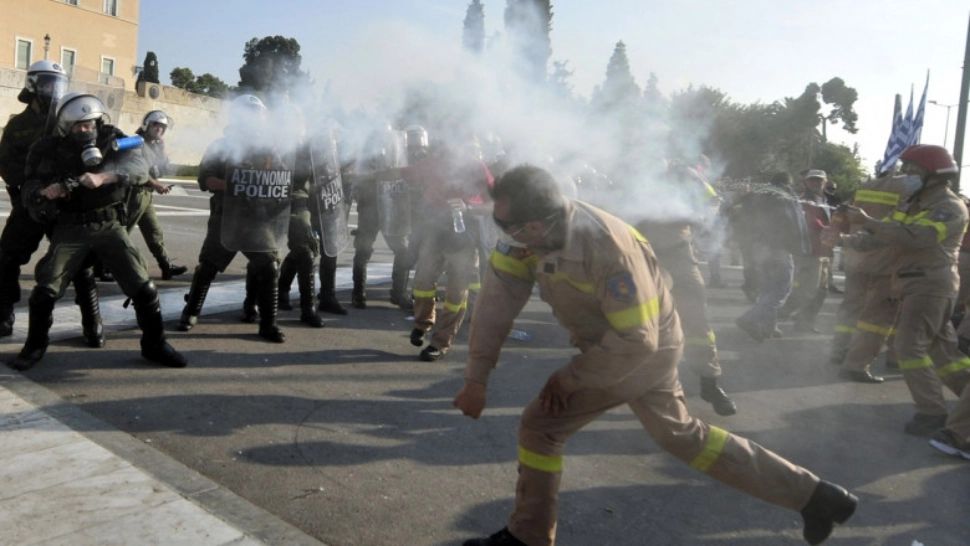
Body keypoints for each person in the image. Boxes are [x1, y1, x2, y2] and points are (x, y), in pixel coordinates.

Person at [454, 165, 857, 546]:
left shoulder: (607, 247)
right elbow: (494, 308)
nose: (505, 235)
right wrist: (476, 378)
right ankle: (817, 497)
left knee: (541, 425)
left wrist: (569, 378)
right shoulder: (524, 240)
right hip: (620, 345)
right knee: (683, 437)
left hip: (644, 348)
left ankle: (528, 537)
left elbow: (637, 342)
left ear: (539, 224)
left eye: (511, 227)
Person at [8, 93, 185, 371]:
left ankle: (155, 344)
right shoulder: (48, 148)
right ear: (65, 126)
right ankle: (35, 346)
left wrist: (105, 176)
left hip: (108, 224)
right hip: (70, 227)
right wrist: (46, 192)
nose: (85, 130)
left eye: (89, 124)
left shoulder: (113, 139)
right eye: (78, 125)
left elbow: (139, 168)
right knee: (45, 290)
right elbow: (29, 185)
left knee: (144, 286)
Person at [836, 145, 970, 436]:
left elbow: (918, 238)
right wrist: (848, 239)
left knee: (908, 346)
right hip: (912, 283)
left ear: (934, 175)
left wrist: (869, 222)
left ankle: (931, 412)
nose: (906, 176)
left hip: (931, 284)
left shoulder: (949, 207)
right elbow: (884, 234)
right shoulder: (913, 203)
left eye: (912, 170)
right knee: (943, 352)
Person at [0, 61, 104, 347]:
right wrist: (37, 182)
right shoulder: (17, 126)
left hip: (66, 200)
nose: (53, 90)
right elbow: (7, 166)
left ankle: (92, 321)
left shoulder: (66, 118)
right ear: (32, 85)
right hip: (31, 202)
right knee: (7, 256)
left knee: (80, 261)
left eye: (57, 84)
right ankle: (4, 313)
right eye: (47, 83)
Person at [177, 95, 292, 343]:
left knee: (270, 266)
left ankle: (268, 324)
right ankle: (190, 312)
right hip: (226, 217)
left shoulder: (269, 149)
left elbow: (281, 181)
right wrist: (234, 185)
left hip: (257, 221)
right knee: (208, 266)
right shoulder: (221, 146)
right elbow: (204, 179)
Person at [635, 161, 736, 416]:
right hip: (642, 256)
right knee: (645, 322)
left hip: (680, 255)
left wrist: (700, 216)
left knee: (697, 320)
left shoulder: (686, 175)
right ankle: (655, 386)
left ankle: (709, 382)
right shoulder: (633, 172)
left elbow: (712, 201)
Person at [405, 138, 493, 361]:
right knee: (423, 282)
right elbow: (405, 173)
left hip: (464, 239)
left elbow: (494, 204)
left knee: (456, 294)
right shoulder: (434, 162)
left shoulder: (477, 167)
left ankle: (440, 342)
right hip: (434, 233)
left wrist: (469, 208)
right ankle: (423, 323)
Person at [733, 172, 811, 341]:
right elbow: (795, 224)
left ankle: (769, 327)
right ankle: (750, 319)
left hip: (758, 248)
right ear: (787, 183)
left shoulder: (759, 196)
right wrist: (799, 248)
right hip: (778, 249)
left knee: (768, 288)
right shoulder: (786, 196)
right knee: (781, 289)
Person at [349, 126, 411, 309]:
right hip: (370, 205)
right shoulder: (366, 154)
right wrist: (378, 176)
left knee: (402, 249)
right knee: (363, 249)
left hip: (391, 204)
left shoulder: (398, 154)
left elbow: (402, 175)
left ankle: (398, 293)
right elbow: (358, 177)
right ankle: (358, 294)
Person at [130, 110, 188, 280]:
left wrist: (162, 148)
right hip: (131, 196)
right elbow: (135, 170)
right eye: (156, 125)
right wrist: (156, 184)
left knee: (154, 232)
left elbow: (162, 170)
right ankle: (100, 266)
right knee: (119, 234)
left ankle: (165, 265)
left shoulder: (155, 146)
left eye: (163, 127)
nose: (160, 130)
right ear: (147, 124)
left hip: (145, 196)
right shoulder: (135, 143)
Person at [779, 170, 832, 333]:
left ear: (825, 182)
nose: (815, 183)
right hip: (809, 250)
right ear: (806, 183)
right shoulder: (803, 200)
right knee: (807, 290)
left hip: (824, 251)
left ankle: (804, 322)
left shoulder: (827, 199)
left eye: (819, 180)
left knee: (821, 291)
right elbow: (810, 221)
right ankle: (777, 314)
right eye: (812, 181)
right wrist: (829, 230)